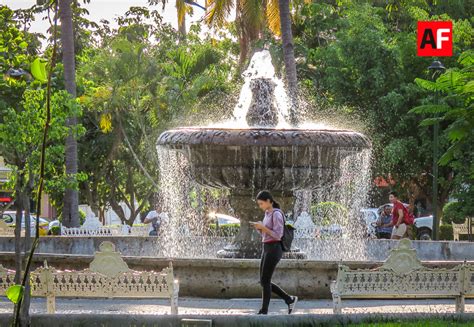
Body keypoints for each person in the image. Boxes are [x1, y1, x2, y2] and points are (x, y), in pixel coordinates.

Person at [251, 190, 297, 315]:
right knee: (263, 280)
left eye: (261, 203)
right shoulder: (267, 213)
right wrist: (260, 228)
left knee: (265, 280)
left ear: (268, 201)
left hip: (274, 248)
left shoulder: (277, 214)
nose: (260, 206)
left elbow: (278, 235)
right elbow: (266, 233)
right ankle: (289, 299)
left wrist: (263, 228)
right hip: (266, 247)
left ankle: (264, 310)